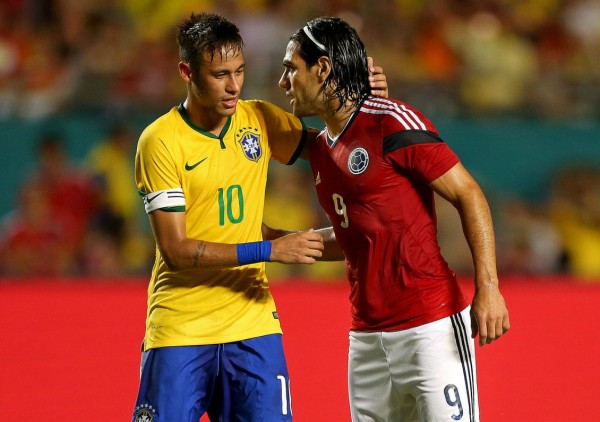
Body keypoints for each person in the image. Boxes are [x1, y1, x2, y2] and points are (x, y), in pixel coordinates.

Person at [132, 12, 388, 422]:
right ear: (187, 71)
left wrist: (367, 104)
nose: (234, 86)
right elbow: (176, 251)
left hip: (253, 326)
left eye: (240, 71)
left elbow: (336, 147)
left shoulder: (259, 120)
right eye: (219, 75)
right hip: (181, 326)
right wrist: (270, 248)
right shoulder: (160, 141)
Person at [278, 17, 510, 421]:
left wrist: (488, 287)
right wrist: (283, 243)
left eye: (291, 68)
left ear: (323, 69)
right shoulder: (319, 149)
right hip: (366, 340)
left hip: (431, 329)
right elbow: (361, 234)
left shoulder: (392, 122)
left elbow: (468, 194)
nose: (284, 82)